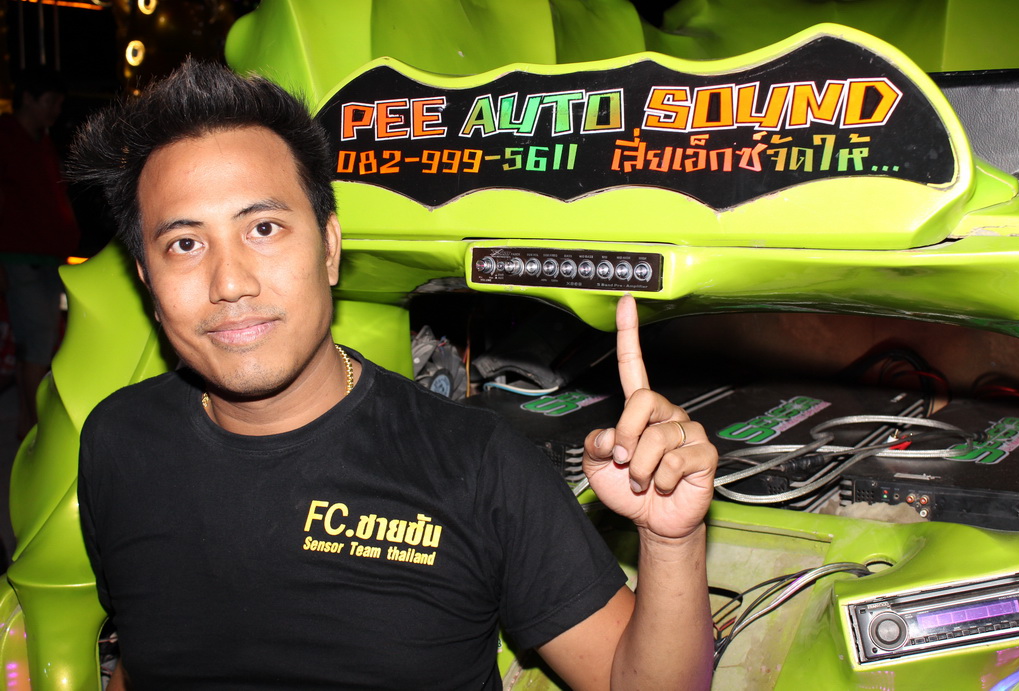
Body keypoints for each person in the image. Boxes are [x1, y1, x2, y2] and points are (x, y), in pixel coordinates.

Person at [69, 60, 718, 690]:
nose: (230, 282)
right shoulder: (117, 442)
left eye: (263, 228)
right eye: (185, 244)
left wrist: (672, 541)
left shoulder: (476, 464)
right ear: (148, 281)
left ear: (329, 247)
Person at [0, 66, 80, 439]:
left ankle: (27, 426)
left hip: (46, 258)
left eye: (59, 103)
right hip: (21, 260)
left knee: (39, 342)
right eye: (50, 102)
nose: (55, 110)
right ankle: (35, 432)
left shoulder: (40, 140)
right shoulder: (7, 139)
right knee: (37, 344)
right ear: (28, 99)